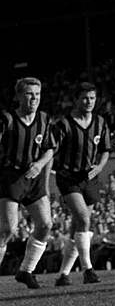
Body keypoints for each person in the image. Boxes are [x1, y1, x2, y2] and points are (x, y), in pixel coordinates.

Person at [50, 82, 111, 286]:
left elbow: (105, 149)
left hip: (90, 179)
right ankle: (88, 270)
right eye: (85, 98)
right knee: (84, 219)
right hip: (68, 178)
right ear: (76, 100)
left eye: (92, 98)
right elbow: (51, 149)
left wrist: (100, 167)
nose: (89, 102)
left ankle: (63, 275)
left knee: (78, 227)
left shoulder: (100, 122)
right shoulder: (64, 125)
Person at [0, 78, 55, 290]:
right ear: (18, 96)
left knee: (45, 225)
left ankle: (26, 271)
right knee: (8, 230)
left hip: (34, 178)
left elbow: (49, 148)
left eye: (38, 94)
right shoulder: (7, 120)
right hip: (10, 178)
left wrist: (40, 165)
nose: (34, 98)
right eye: (29, 94)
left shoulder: (44, 119)